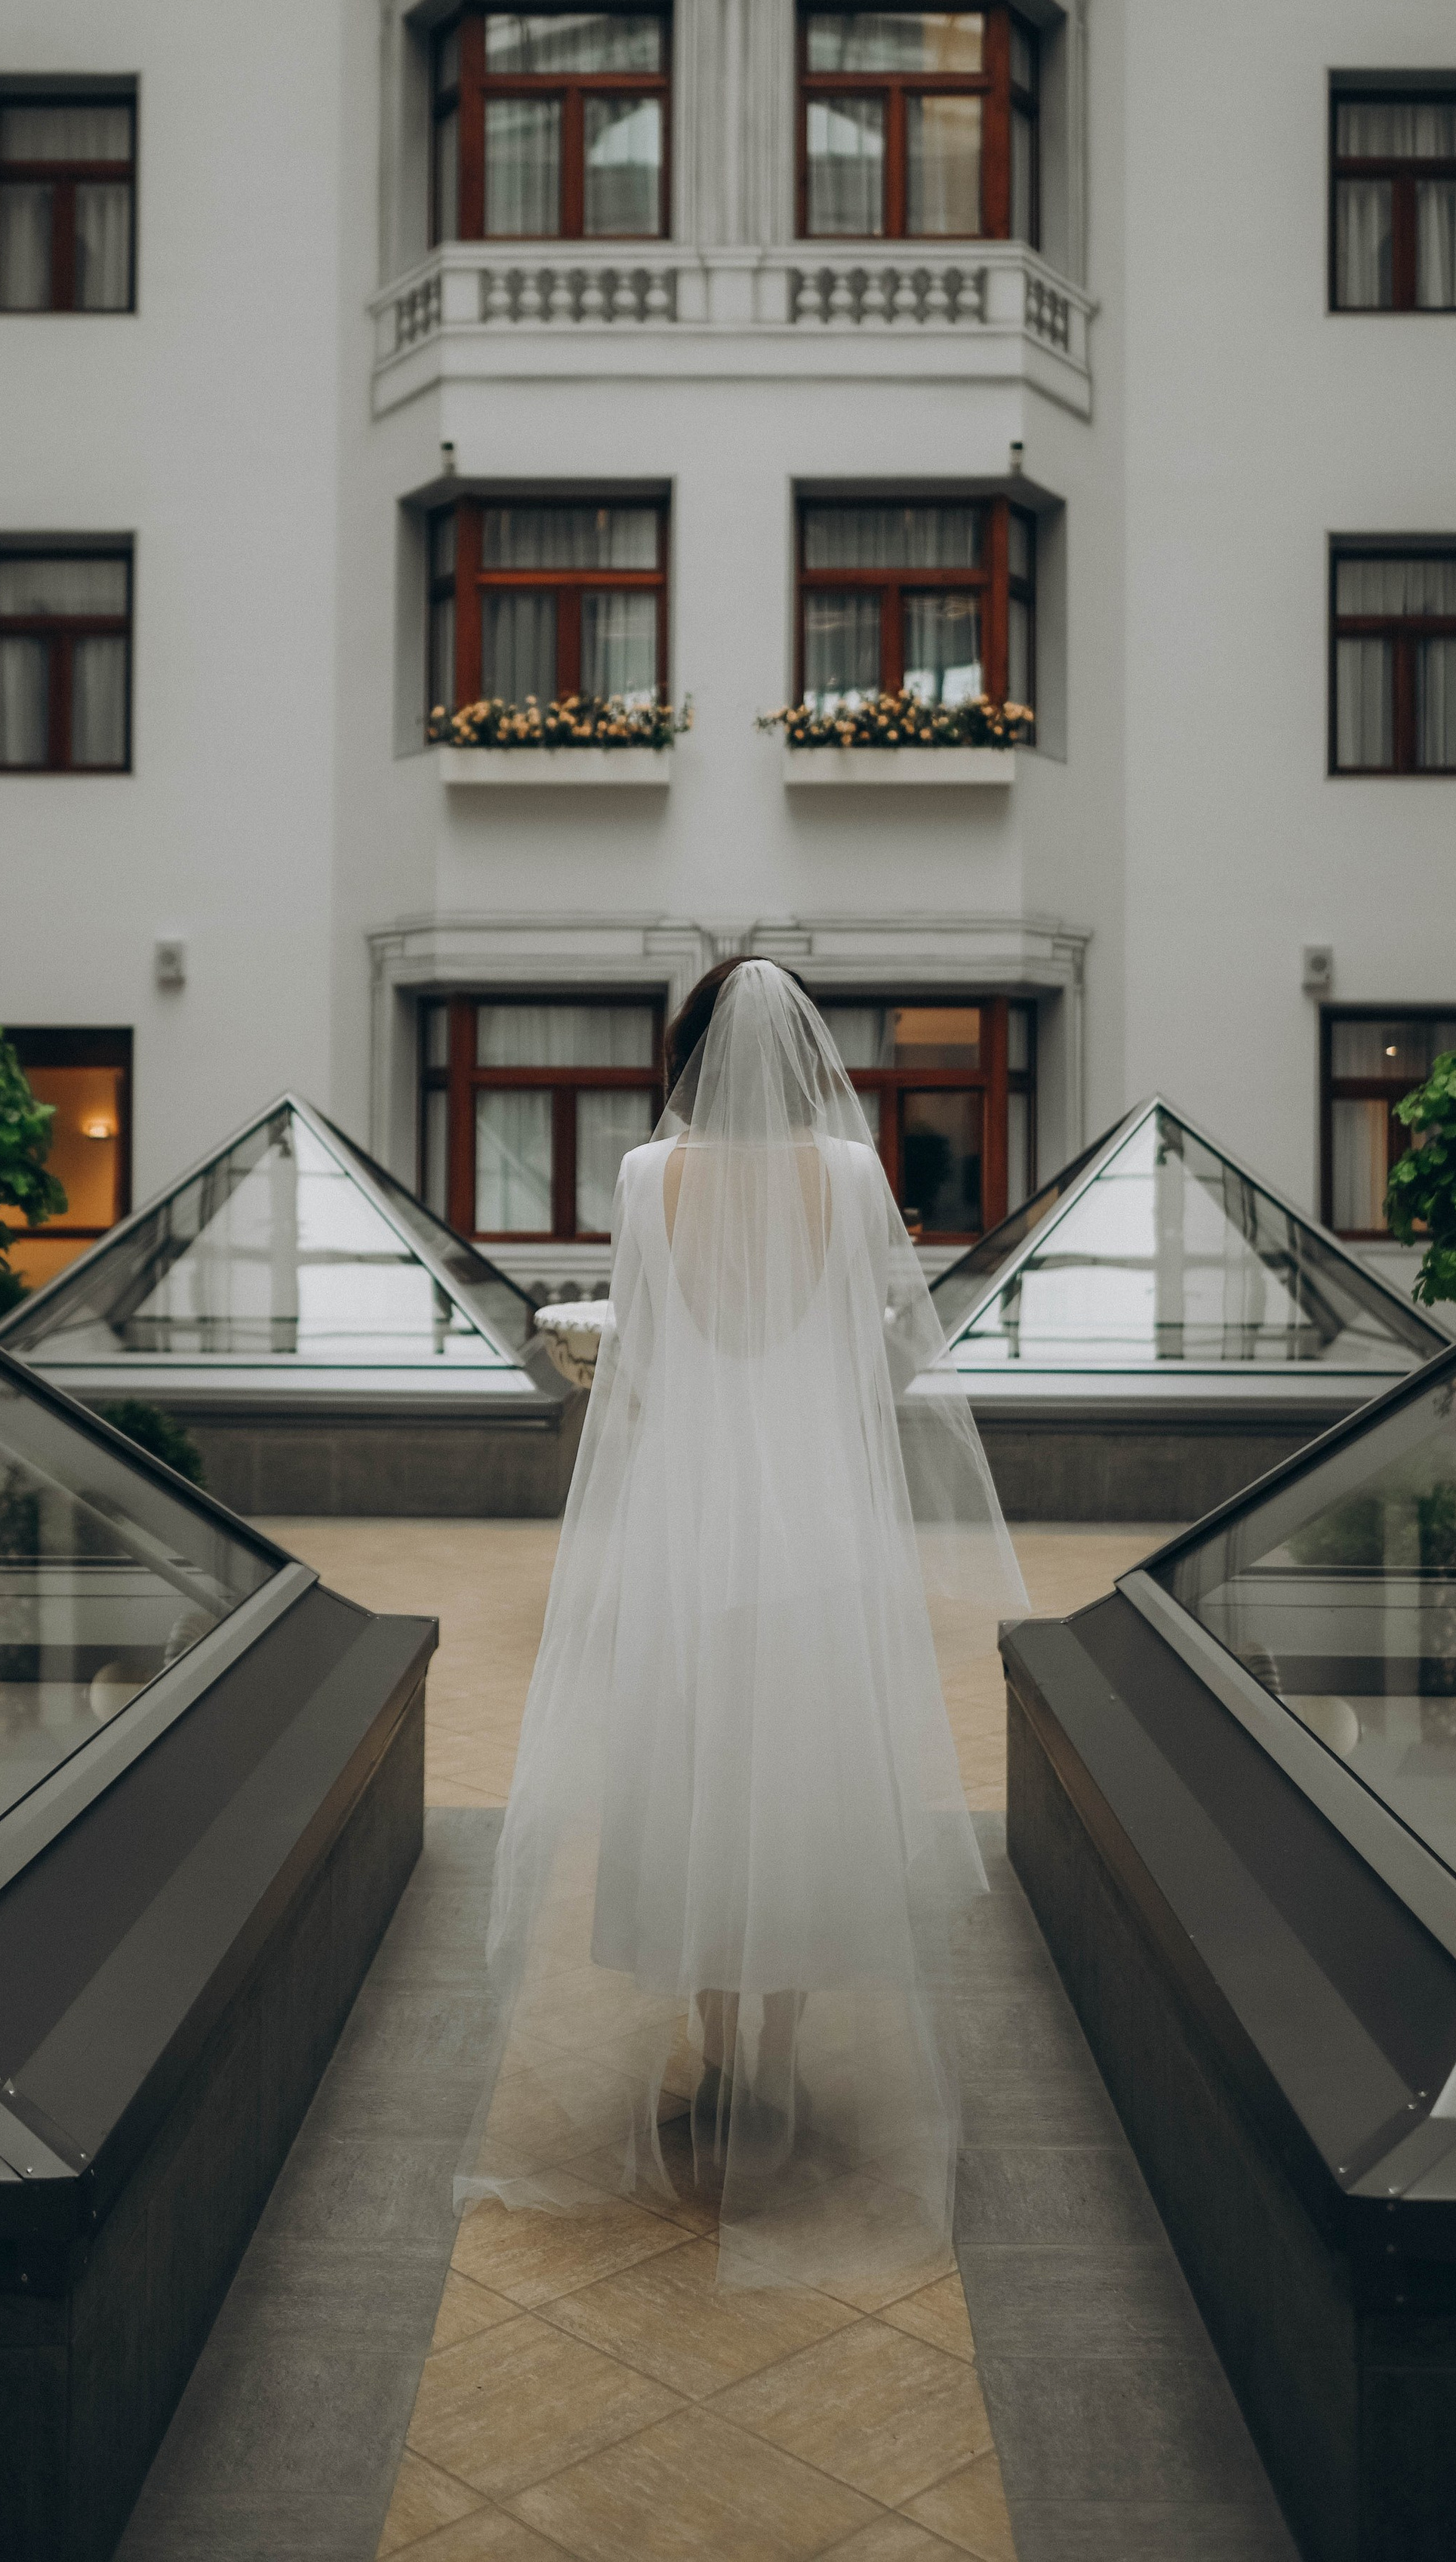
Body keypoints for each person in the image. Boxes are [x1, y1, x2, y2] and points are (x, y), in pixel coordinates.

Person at [455, 956, 1029, 2287]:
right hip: (819, 1516)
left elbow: (642, 1358)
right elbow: (877, 1354)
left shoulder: (649, 1180)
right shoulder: (849, 1175)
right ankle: (775, 2054)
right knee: (803, 1768)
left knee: (696, 1763)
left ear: (690, 1055)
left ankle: (712, 2054)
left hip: (689, 1518)